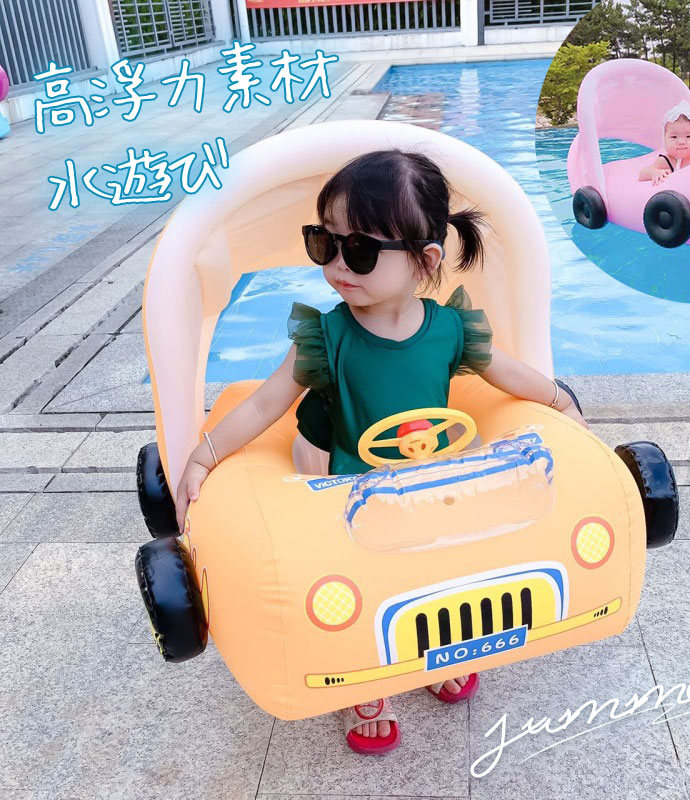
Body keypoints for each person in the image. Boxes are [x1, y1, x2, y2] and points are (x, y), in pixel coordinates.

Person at [173, 148, 588, 755]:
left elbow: (507, 373)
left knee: (442, 571)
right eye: (325, 243)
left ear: (424, 261)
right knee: (366, 587)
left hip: (431, 483)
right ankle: (366, 682)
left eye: (361, 251)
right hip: (353, 489)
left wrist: (558, 399)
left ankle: (441, 652)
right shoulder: (327, 336)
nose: (338, 264)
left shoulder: (449, 330)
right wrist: (202, 456)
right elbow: (265, 406)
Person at [638, 100, 690, 184]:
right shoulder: (667, 160)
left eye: (688, 136)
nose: (681, 142)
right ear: (664, 139)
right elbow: (642, 174)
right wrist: (654, 172)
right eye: (674, 137)